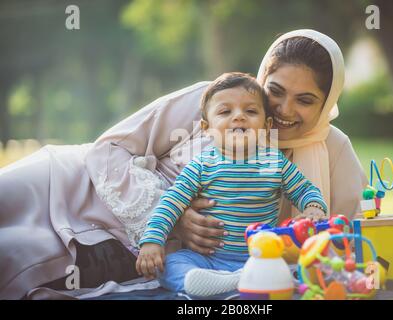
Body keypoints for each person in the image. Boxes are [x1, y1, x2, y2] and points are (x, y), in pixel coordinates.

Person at [0, 29, 367, 299]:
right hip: (73, 182)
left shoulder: (332, 151)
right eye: (275, 91)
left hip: (107, 247)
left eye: (305, 100)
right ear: (261, 79)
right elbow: (109, 149)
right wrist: (174, 216)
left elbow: (343, 241)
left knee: (13, 256)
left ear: (326, 102)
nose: (284, 110)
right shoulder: (217, 98)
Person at [135, 72, 328, 296]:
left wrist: (314, 206)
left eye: (251, 111)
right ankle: (221, 281)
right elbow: (171, 201)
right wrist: (153, 240)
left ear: (266, 125)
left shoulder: (274, 163)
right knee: (170, 264)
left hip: (259, 256)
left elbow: (305, 190)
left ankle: (247, 277)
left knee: (299, 266)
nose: (239, 117)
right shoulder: (201, 165)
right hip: (207, 259)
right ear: (207, 128)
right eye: (226, 111)